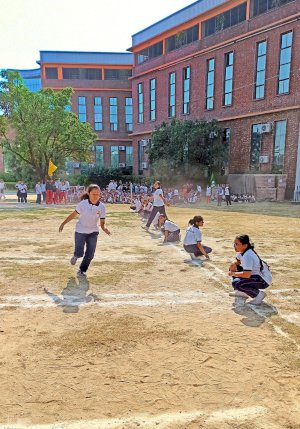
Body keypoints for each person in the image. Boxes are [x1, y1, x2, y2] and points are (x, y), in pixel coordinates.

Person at [59, 184, 110, 277]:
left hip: (93, 232)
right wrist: (63, 223)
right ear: (89, 194)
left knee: (90, 253)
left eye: (97, 194)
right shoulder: (83, 204)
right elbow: (73, 215)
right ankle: (75, 256)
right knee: (79, 252)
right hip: (80, 230)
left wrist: (105, 228)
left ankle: (82, 270)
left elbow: (102, 222)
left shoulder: (102, 207)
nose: (96, 196)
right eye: (93, 194)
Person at [228, 234, 271, 305]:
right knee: (234, 267)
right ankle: (242, 292)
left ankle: (259, 295)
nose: (234, 246)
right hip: (256, 276)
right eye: (234, 244)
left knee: (237, 283)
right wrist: (233, 263)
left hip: (263, 280)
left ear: (245, 245)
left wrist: (233, 273)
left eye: (236, 244)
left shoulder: (248, 255)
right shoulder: (242, 251)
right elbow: (237, 261)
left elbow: (246, 275)